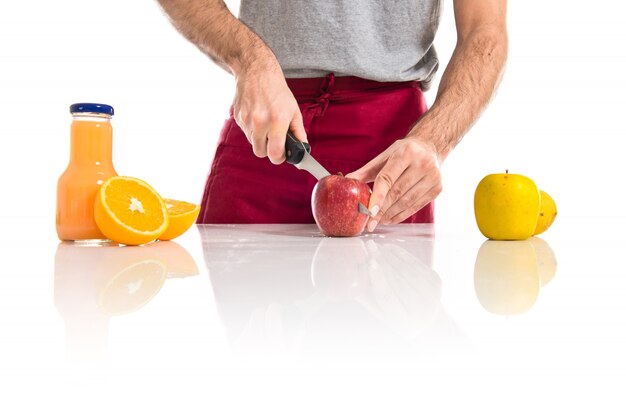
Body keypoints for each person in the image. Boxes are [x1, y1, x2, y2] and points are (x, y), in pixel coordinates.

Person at [156, 0, 508, 231]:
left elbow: (485, 32)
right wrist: (248, 59)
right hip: (268, 133)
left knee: (386, 340)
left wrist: (434, 141)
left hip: (391, 156)